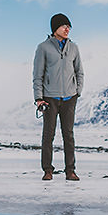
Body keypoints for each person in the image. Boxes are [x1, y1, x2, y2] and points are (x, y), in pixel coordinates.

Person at [33, 13, 84, 181]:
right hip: (50, 98)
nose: (67, 29)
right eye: (64, 26)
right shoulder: (43, 48)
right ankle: (48, 170)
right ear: (55, 29)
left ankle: (70, 170)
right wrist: (38, 97)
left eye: (69, 26)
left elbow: (79, 71)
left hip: (69, 97)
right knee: (49, 135)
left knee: (68, 135)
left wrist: (77, 92)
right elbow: (38, 75)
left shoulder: (74, 48)